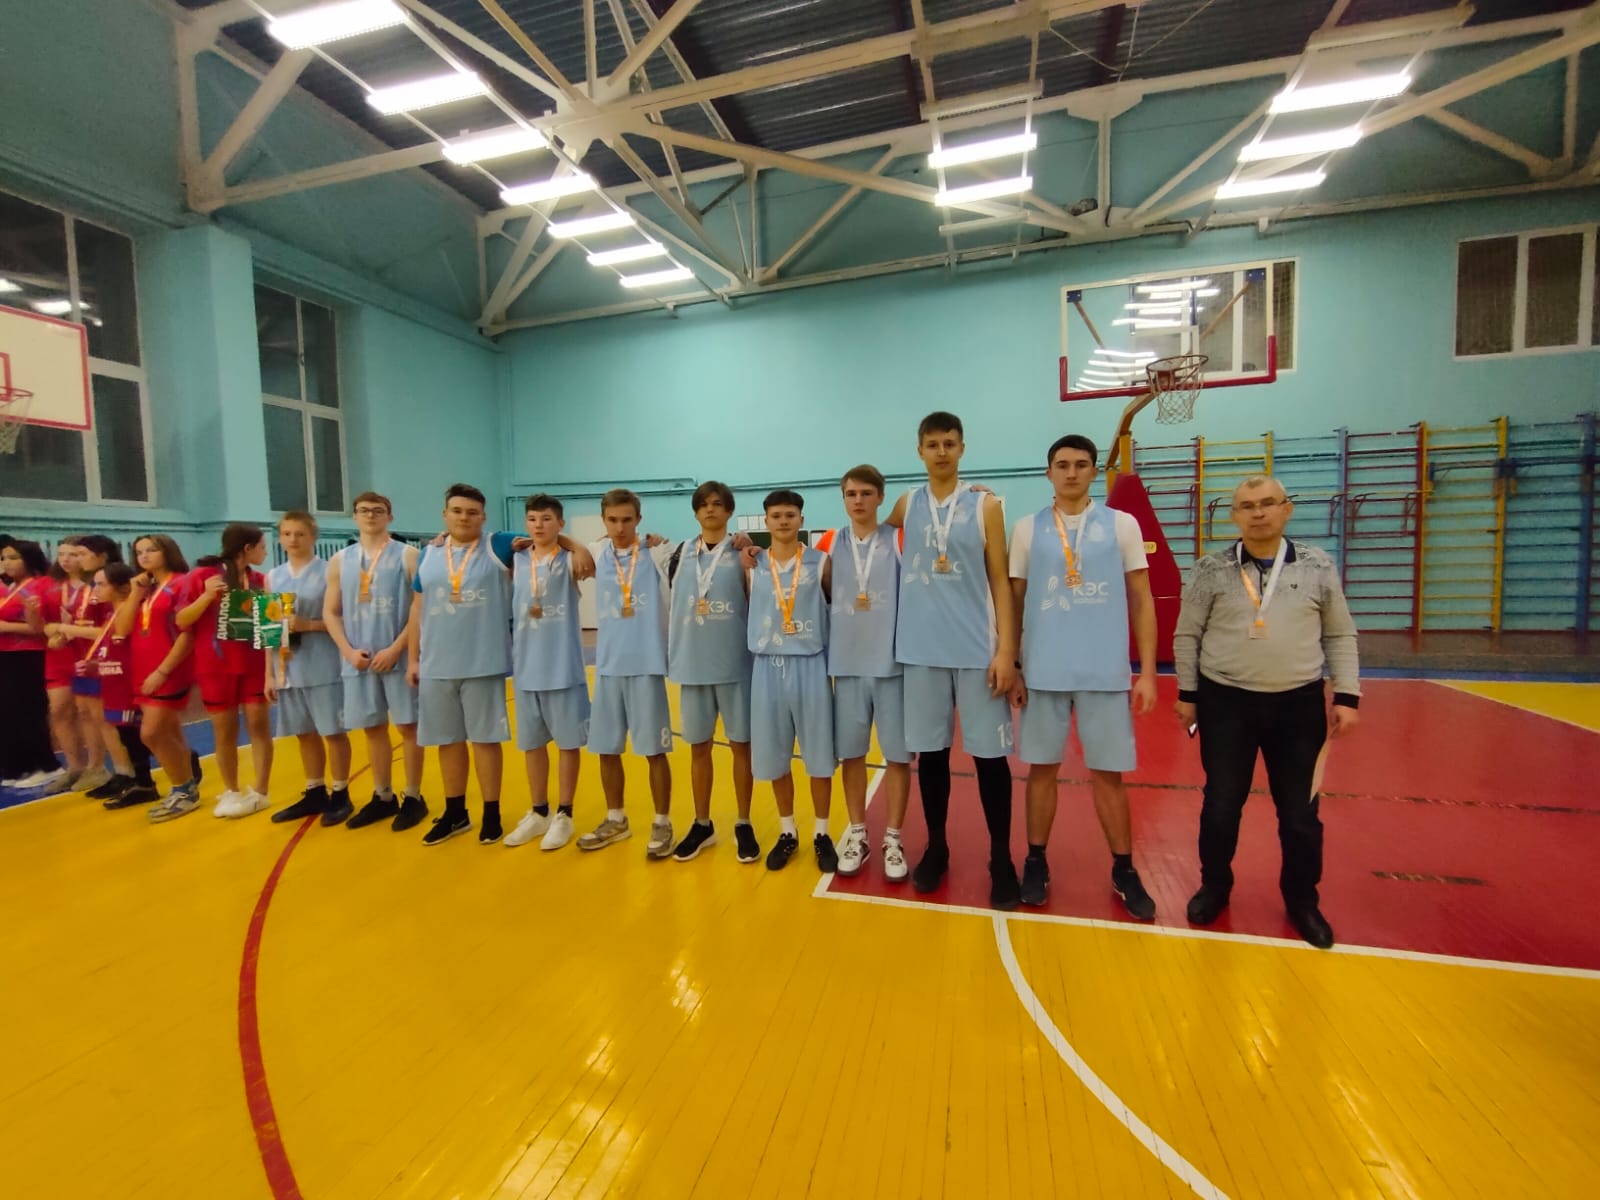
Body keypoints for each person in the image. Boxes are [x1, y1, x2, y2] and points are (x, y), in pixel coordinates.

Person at [1173, 474, 1361, 950]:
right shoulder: (1210, 569)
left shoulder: (1318, 565)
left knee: (1300, 815)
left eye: (1267, 503)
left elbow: (1339, 633)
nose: (1258, 513)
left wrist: (1347, 695)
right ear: (1234, 516)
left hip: (1298, 706)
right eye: (1247, 506)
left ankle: (1302, 900)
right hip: (1225, 704)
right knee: (1220, 806)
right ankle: (1215, 886)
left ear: (1286, 509)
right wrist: (1188, 694)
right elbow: (1187, 634)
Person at [1009, 435, 1158, 918]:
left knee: (1108, 775)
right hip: (1043, 671)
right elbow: (1013, 603)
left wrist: (1148, 672)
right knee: (1041, 771)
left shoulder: (1122, 524)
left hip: (1104, 672)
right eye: (1062, 464)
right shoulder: (1027, 529)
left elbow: (1142, 598)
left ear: (1095, 470)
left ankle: (1124, 868)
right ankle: (1035, 861)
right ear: (1048, 472)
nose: (1071, 472)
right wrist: (1013, 665)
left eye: (1080, 464)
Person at [885, 412, 1020, 910]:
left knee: (990, 760)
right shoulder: (906, 504)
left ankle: (1001, 859)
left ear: (962, 448)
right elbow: (870, 530)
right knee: (932, 757)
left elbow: (1001, 580)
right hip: (921, 652)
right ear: (919, 450)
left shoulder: (986, 505)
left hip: (976, 651)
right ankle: (937, 847)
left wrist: (1007, 651)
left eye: (949, 443)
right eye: (932, 444)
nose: (941, 451)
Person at [405, 483, 516, 846]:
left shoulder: (498, 545)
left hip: (483, 662)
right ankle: (456, 814)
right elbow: (417, 608)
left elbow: (547, 533)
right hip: (437, 664)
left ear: (483, 517)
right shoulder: (429, 554)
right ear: (445, 514)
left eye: (472, 512)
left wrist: (578, 547)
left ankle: (491, 813)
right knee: (448, 742)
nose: (464, 518)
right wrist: (412, 658)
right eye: (457, 511)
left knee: (485, 741)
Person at [818, 465, 911, 881]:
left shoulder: (898, 538)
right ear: (843, 498)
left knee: (897, 758)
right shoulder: (827, 543)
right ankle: (858, 834)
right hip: (847, 667)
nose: (858, 500)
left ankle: (893, 838)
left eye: (866, 493)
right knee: (852, 755)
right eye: (851, 494)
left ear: (880, 497)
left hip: (891, 668)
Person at [576, 488, 677, 858]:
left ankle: (663, 822)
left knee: (654, 751)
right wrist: (574, 544)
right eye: (613, 520)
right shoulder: (595, 551)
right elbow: (553, 542)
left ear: (639, 519)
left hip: (647, 666)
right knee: (606, 749)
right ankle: (615, 818)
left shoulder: (657, 552)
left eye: (627, 520)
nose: (620, 528)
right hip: (607, 667)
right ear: (603, 521)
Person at [324, 492, 428, 832]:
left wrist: (398, 648)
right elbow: (330, 612)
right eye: (364, 511)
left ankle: (413, 796)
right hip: (360, 660)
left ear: (390, 516)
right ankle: (383, 795)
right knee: (372, 728)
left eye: (378, 510)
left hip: (397, 656)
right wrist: (348, 651)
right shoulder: (339, 560)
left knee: (408, 727)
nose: (370, 515)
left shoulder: (408, 555)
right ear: (354, 516)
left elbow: (420, 608)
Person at [665, 481, 757, 864]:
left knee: (741, 747)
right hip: (693, 666)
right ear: (695, 511)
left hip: (735, 666)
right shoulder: (680, 553)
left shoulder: (744, 553)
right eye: (703, 504)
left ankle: (744, 822)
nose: (710, 510)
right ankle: (702, 823)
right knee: (698, 748)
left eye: (718, 504)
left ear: (729, 510)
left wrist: (751, 548)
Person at [748, 489, 838, 873]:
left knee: (819, 757)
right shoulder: (751, 564)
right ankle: (788, 831)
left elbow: (835, 610)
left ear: (801, 519)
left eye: (790, 515)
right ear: (766, 521)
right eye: (776, 515)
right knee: (775, 755)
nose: (783, 521)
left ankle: (822, 832)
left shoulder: (822, 563)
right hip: (767, 666)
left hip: (810, 663)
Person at [503, 493, 589, 851]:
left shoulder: (571, 559)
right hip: (526, 667)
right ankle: (539, 811)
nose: (538, 525)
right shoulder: (516, 558)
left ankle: (564, 814)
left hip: (562, 667)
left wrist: (573, 544)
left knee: (568, 744)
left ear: (560, 523)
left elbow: (590, 562)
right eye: (533, 519)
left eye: (547, 519)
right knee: (532, 745)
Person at [177, 524, 275, 817]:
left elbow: (270, 628)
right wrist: (206, 597)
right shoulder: (202, 576)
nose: (265, 552)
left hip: (254, 663)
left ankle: (261, 790)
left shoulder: (260, 581)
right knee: (224, 729)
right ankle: (231, 790)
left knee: (259, 724)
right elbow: (182, 620)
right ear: (247, 548)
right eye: (262, 546)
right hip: (215, 665)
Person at [266, 512, 355, 826]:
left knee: (332, 732)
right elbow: (268, 630)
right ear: (280, 537)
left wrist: (309, 625)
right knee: (303, 733)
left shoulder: (330, 572)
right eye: (287, 533)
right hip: (288, 668)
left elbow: (346, 620)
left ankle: (341, 792)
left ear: (313, 537)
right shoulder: (272, 577)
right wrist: (269, 674)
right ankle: (314, 790)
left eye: (300, 533)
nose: (293, 539)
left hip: (323, 665)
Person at [115, 534, 202, 820]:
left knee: (150, 733)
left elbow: (188, 634)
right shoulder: (145, 588)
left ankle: (183, 789)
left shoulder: (181, 583)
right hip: (142, 667)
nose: (144, 556)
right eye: (139, 552)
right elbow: (122, 629)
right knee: (168, 732)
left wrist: (163, 671)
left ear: (167, 551)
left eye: (151, 550)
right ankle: (186, 788)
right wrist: (134, 594)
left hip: (168, 668)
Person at [47, 535, 126, 796]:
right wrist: (63, 635)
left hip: (103, 660)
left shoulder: (108, 587)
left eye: (81, 554)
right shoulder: (85, 589)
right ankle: (96, 767)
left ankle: (124, 772)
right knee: (87, 715)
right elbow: (81, 625)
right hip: (82, 659)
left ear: (101, 556)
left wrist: (66, 628)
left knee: (108, 719)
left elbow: (109, 629)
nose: (76, 559)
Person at [81, 562, 158, 808]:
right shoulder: (109, 614)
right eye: (95, 584)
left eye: (102, 584)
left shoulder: (132, 611)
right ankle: (140, 782)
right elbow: (110, 647)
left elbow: (127, 641)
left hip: (128, 682)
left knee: (138, 735)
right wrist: (95, 665)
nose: (96, 589)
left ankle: (147, 782)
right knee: (126, 734)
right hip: (112, 679)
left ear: (122, 587)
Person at [0, 539, 62, 788]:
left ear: (29, 559)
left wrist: (7, 627)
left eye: (13, 558)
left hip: (29, 654)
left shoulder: (41, 584)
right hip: (7, 654)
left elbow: (44, 626)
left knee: (29, 710)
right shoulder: (11, 587)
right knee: (10, 711)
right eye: (3, 558)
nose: (7, 563)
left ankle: (47, 764)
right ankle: (20, 764)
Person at [41, 539, 96, 789]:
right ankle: (74, 767)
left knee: (87, 712)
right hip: (58, 656)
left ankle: (95, 766)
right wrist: (56, 631)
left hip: (86, 654)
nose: (65, 559)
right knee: (59, 711)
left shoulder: (95, 586)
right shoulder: (49, 586)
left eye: (73, 554)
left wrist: (71, 628)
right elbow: (43, 625)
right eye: (61, 553)